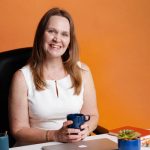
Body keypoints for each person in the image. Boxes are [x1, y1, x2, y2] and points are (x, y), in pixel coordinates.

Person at [9, 7, 99, 146]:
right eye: (51, 31)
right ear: (41, 34)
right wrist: (54, 135)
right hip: (36, 147)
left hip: (75, 146)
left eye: (64, 34)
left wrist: (86, 129)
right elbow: (18, 130)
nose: (57, 39)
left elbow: (92, 115)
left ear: (70, 40)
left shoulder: (83, 72)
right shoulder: (21, 78)